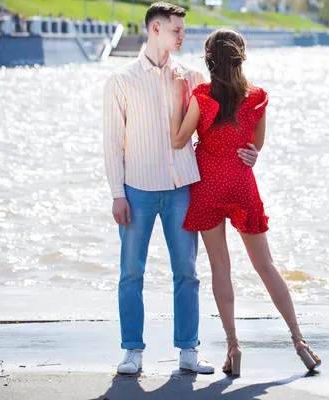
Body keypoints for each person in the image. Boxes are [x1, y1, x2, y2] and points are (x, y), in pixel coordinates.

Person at [102, 3, 259, 375]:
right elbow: (112, 142)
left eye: (183, 30)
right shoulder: (121, 81)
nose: (183, 36)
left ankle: (188, 350)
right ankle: (132, 351)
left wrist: (250, 151)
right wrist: (116, 194)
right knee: (131, 273)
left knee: (187, 273)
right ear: (155, 29)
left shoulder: (192, 78)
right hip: (137, 189)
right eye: (176, 30)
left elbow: (228, 120)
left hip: (183, 189)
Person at [169, 28, 321, 376]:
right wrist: (247, 154)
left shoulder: (202, 96)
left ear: (209, 61)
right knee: (265, 265)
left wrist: (180, 103)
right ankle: (299, 340)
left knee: (221, 268)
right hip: (241, 184)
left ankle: (233, 346)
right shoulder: (257, 98)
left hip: (207, 186)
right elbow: (256, 148)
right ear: (241, 58)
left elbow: (179, 141)